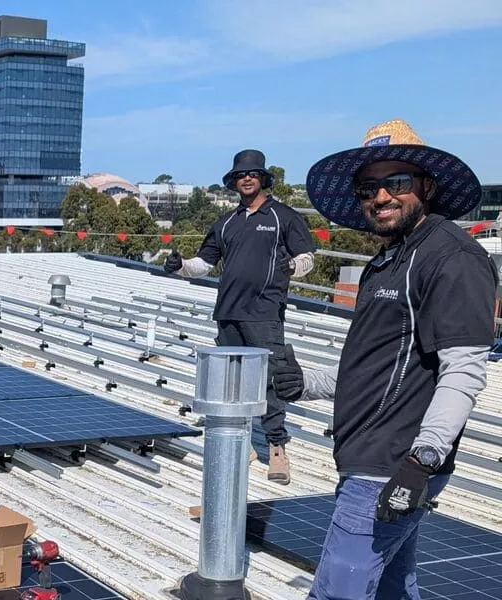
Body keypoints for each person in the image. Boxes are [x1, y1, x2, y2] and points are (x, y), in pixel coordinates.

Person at [273, 119, 493, 599]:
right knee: (394, 586)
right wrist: (306, 383)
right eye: (368, 187)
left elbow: (463, 369)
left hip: (393, 463)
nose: (381, 196)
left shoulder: (452, 258)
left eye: (396, 181)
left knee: (337, 591)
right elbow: (380, 365)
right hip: (369, 458)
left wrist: (421, 460)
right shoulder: (389, 259)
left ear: (427, 186)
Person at [164, 149, 315, 484]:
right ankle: (243, 444)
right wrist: (180, 267)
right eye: (240, 175)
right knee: (233, 384)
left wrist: (293, 266)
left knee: (272, 380)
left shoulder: (283, 217)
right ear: (233, 182)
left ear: (263, 178)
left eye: (252, 173)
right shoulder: (226, 223)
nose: (246, 178)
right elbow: (204, 264)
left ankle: (276, 449)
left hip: (265, 313)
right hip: (228, 314)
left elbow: (308, 257)